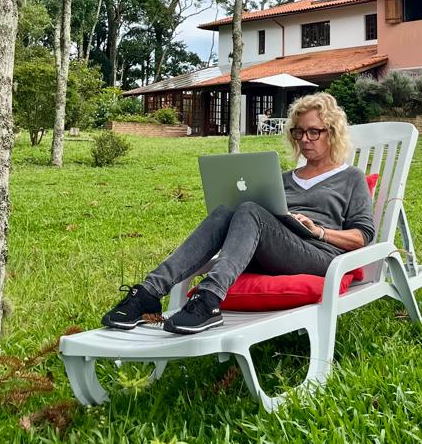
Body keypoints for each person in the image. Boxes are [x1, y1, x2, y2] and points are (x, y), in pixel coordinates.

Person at [101, 92, 374, 334]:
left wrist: (319, 231)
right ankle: (148, 292)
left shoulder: (350, 177)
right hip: (272, 251)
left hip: (318, 254)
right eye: (298, 132)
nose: (304, 139)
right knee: (225, 211)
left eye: (314, 132)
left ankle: (208, 299)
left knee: (250, 210)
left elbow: (363, 236)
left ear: (332, 133)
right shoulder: (281, 178)